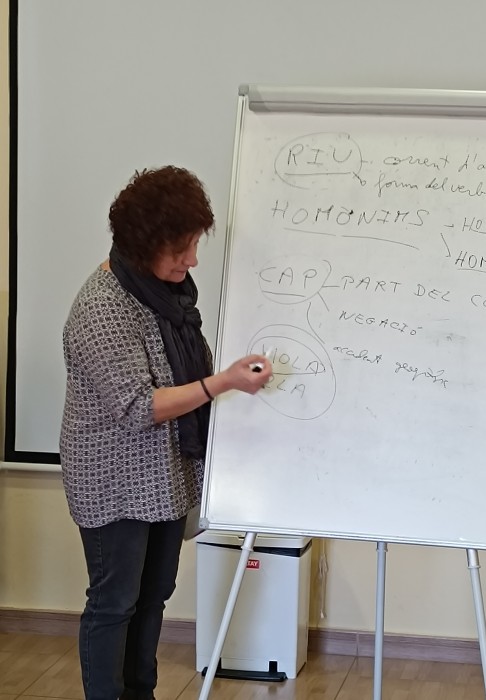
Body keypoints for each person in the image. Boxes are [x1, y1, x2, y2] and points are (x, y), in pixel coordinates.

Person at [59, 165, 272, 700]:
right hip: (113, 483)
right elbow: (138, 407)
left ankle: (142, 693)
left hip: (163, 475)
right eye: (181, 248)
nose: (192, 260)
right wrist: (222, 382)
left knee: (154, 595)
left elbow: (182, 375)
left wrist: (227, 380)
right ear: (143, 245)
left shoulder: (167, 296)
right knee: (115, 602)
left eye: (194, 244)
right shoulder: (102, 307)